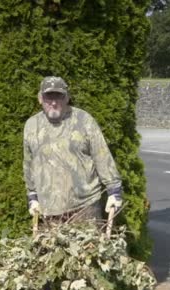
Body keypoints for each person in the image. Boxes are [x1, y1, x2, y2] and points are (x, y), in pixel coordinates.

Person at [22, 76, 123, 223]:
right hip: (49, 211)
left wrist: (114, 191)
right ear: (40, 98)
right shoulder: (31, 126)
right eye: (48, 97)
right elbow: (29, 163)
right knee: (51, 246)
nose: (54, 102)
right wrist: (32, 196)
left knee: (90, 246)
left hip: (85, 208)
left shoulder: (84, 120)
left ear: (67, 98)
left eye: (59, 96)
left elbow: (101, 155)